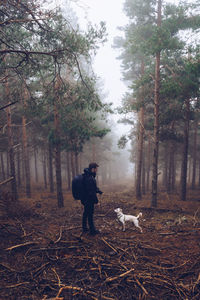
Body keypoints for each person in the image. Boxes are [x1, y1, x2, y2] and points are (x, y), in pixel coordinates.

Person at [81, 162, 103, 236]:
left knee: (86, 213)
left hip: (85, 198)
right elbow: (91, 192)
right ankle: (92, 231)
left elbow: (92, 188)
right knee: (90, 214)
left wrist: (98, 191)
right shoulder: (90, 178)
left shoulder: (87, 176)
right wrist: (96, 202)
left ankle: (84, 228)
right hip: (89, 199)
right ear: (93, 169)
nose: (97, 170)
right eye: (96, 168)